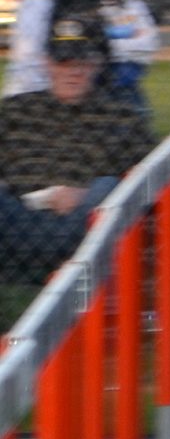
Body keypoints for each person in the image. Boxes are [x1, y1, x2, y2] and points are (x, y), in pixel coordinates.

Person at [0, 16, 155, 282]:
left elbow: (148, 178)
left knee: (108, 188)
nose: (73, 72)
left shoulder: (122, 117)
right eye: (64, 62)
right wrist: (45, 193)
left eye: (81, 62)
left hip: (86, 225)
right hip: (19, 218)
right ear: (47, 63)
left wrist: (83, 190)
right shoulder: (15, 110)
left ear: (96, 65)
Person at [85, 0, 160, 116]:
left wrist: (110, 44)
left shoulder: (134, 5)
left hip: (129, 69)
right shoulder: (90, 7)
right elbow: (91, 47)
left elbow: (150, 42)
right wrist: (131, 38)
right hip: (99, 72)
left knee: (124, 81)